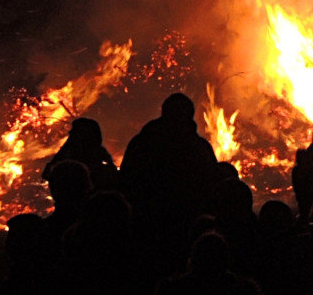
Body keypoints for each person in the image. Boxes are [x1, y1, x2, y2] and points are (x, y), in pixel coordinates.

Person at [122, 93, 220, 227]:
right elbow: (211, 186)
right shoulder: (199, 148)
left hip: (146, 221)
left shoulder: (142, 143)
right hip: (188, 222)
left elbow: (126, 179)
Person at [46, 116, 121, 191]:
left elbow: (48, 173)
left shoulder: (71, 164)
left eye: (73, 133)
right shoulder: (101, 159)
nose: (70, 133)